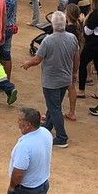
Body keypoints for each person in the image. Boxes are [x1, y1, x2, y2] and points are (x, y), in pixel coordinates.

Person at [18, 11, 75, 148]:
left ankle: (61, 137)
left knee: (54, 108)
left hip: (51, 80)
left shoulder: (48, 40)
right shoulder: (72, 38)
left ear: (52, 24)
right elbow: (76, 56)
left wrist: (28, 64)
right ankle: (47, 127)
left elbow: (38, 59)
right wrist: (74, 72)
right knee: (53, 106)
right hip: (65, 78)